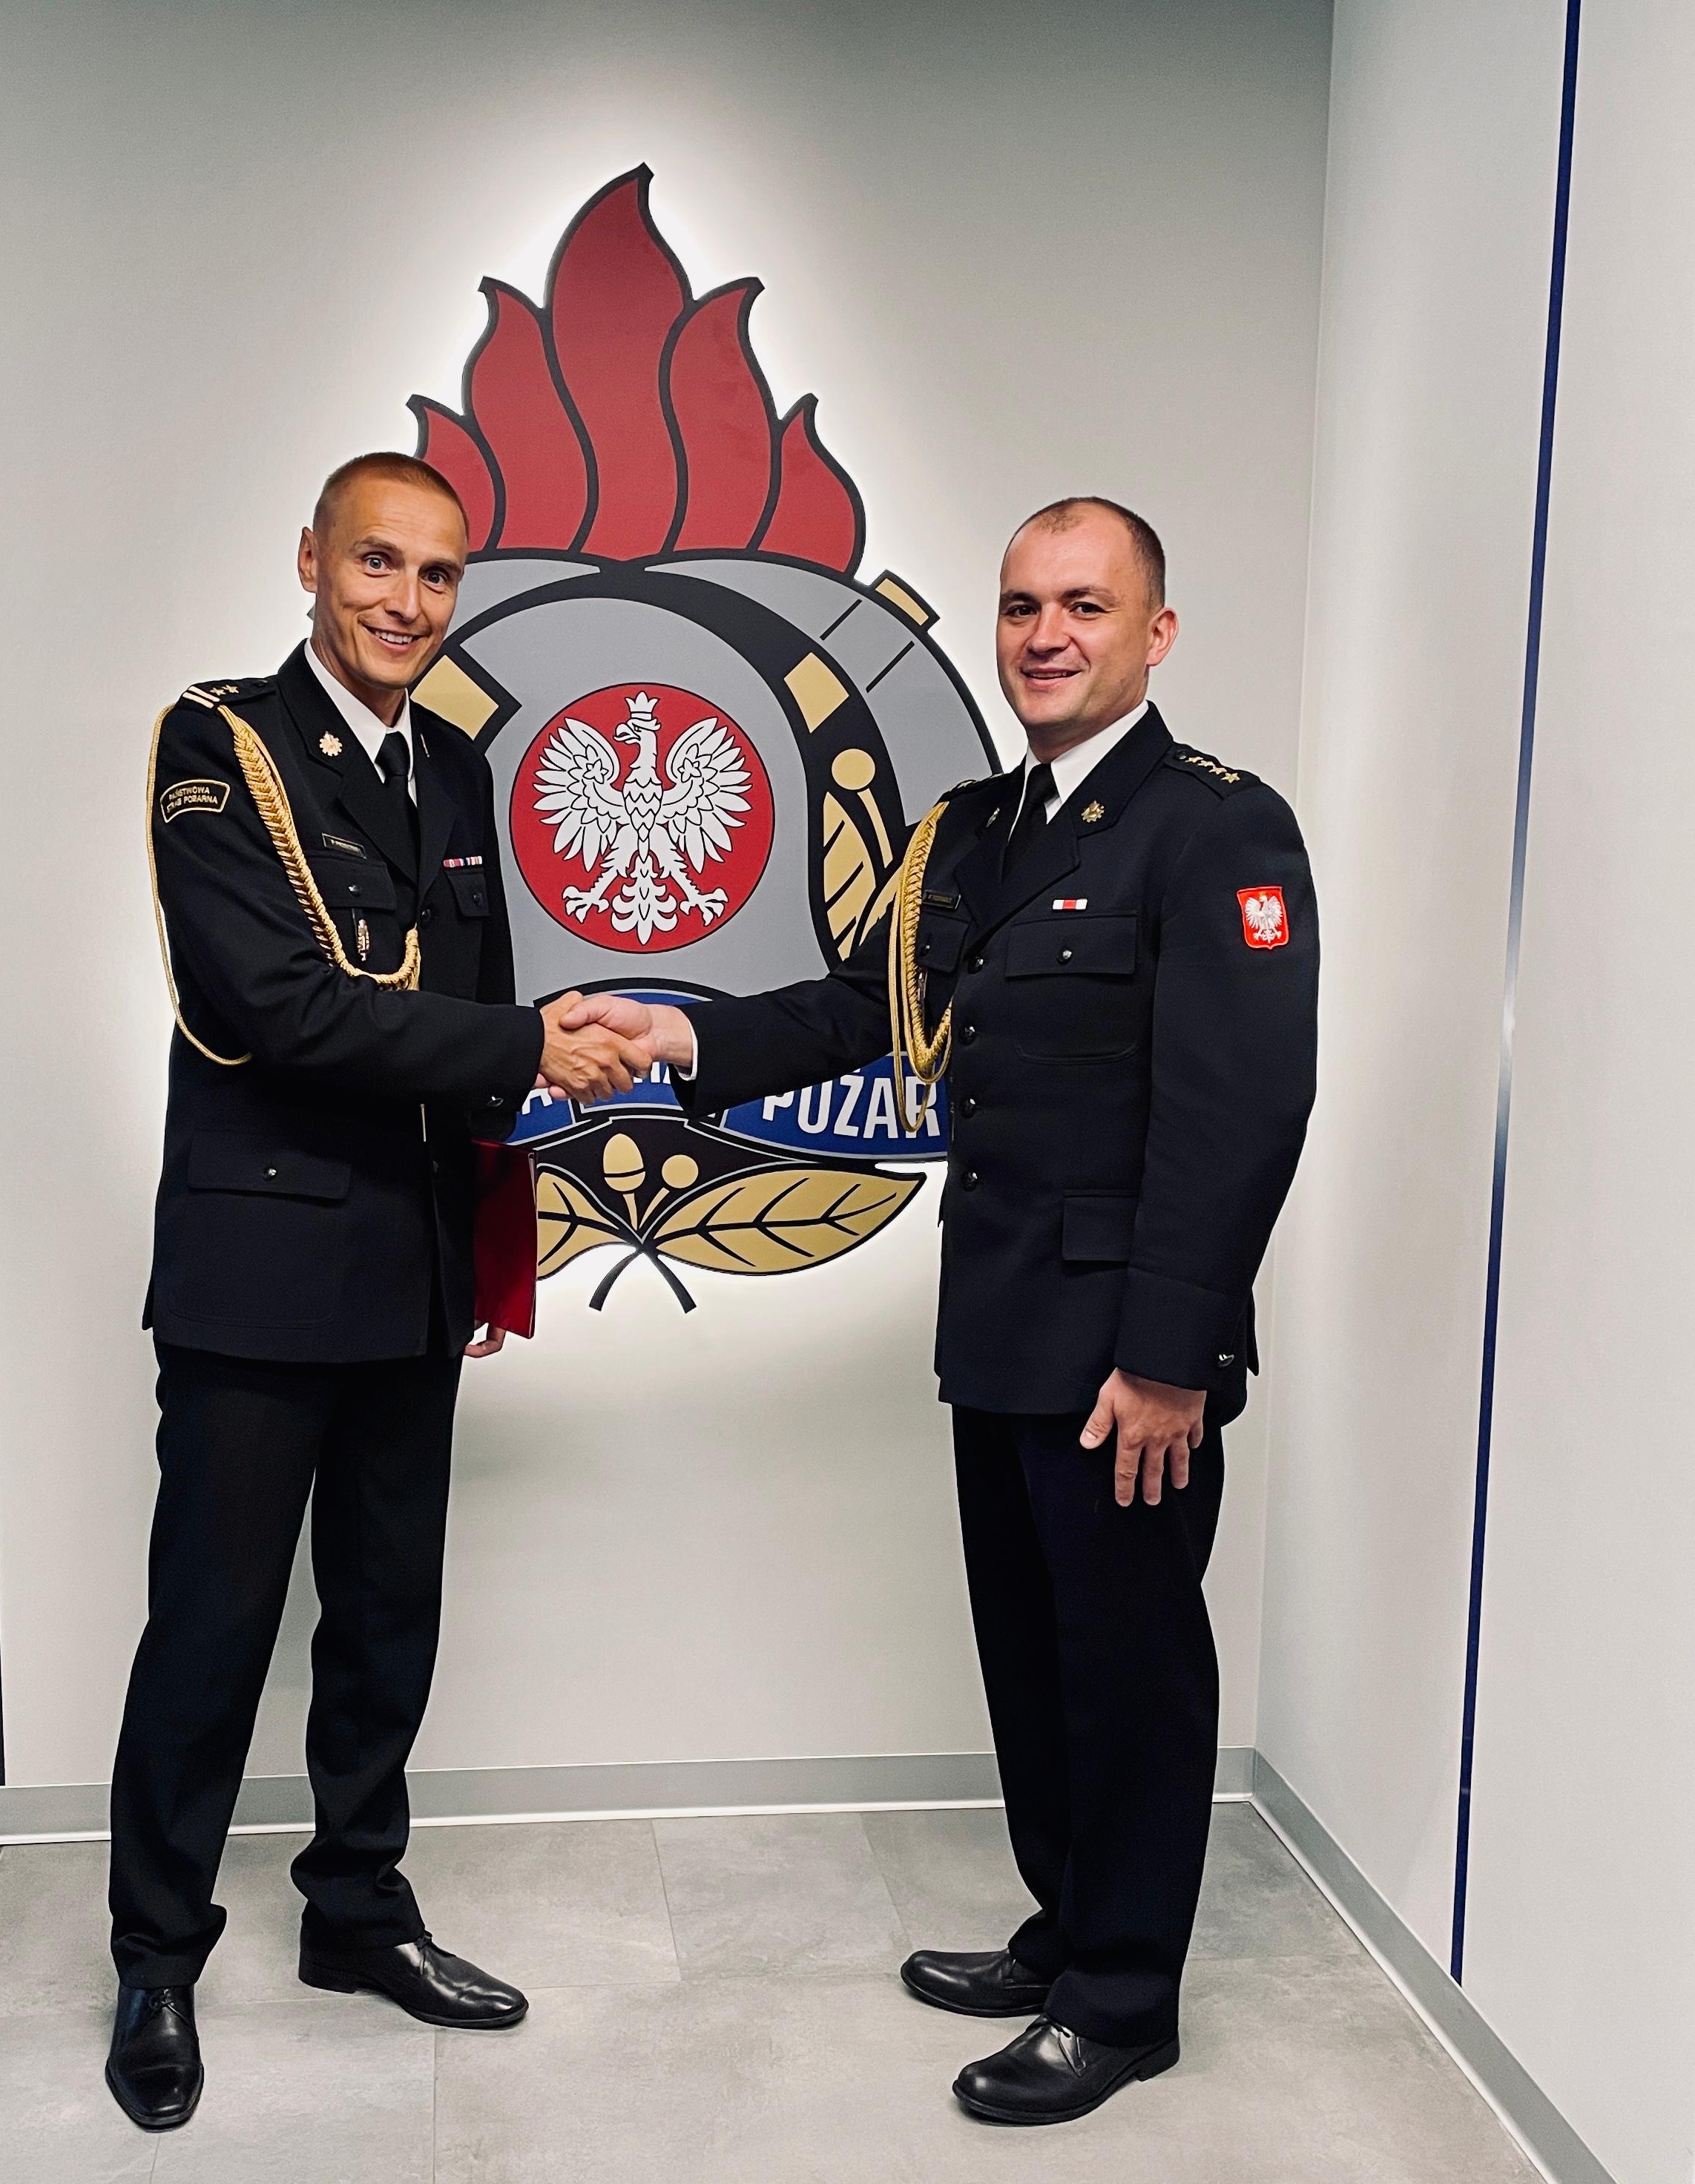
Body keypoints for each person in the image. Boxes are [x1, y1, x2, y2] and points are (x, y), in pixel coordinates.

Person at [567, 497, 1318, 2126]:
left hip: (1122, 1354)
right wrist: (679, 1035)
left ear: (1154, 634)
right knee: (1033, 1666)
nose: (1045, 635)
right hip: (997, 1327)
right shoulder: (974, 830)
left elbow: (1242, 1106)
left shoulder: (1213, 828)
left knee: (1127, 1671)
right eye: (1021, 605)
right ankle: (1069, 1925)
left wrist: (1170, 1353)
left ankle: (1122, 1997)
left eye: (1083, 606)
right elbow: (865, 1000)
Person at [106, 452, 650, 2132]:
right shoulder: (222, 748)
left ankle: (354, 1907)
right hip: (262, 1271)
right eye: (375, 563)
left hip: (408, 1266)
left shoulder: (458, 767)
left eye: (435, 574)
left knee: (384, 1617)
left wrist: (496, 1203)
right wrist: (526, 1042)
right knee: (212, 1631)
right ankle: (155, 1958)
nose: (406, 602)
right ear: (309, 562)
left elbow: (474, 1018)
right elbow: (273, 1004)